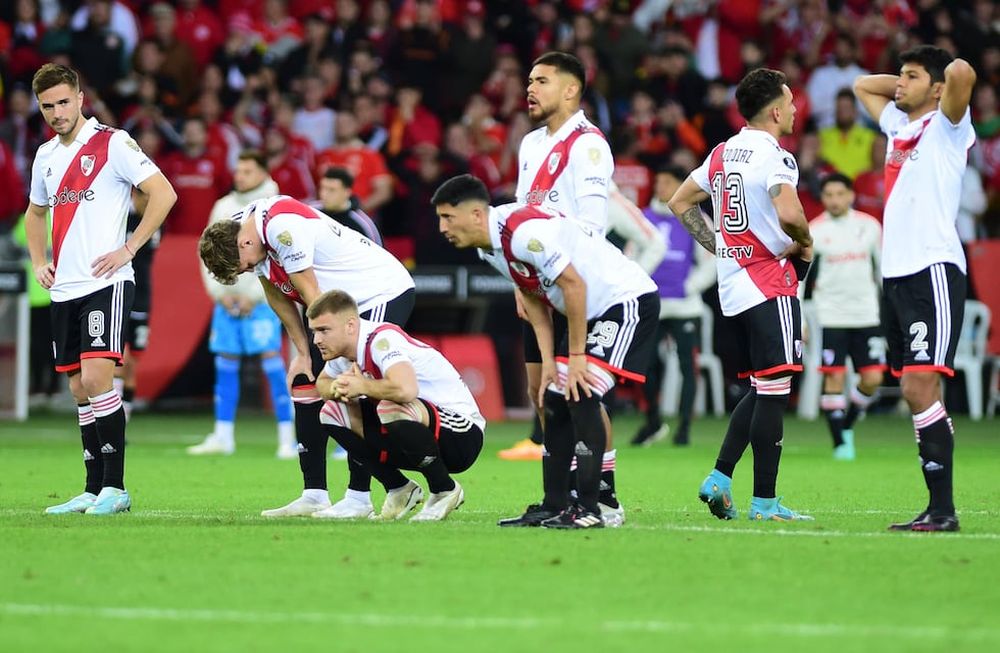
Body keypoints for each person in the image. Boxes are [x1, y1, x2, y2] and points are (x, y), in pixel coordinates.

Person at [434, 174, 659, 529]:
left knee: (580, 393)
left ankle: (593, 507)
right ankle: (554, 503)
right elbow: (535, 302)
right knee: (553, 397)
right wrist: (551, 364)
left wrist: (578, 357)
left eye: (448, 217)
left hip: (624, 300)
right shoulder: (488, 247)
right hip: (587, 308)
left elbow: (573, 284)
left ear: (477, 214)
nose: (442, 227)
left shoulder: (522, 234)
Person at [199, 193, 416, 519]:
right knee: (305, 382)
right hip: (336, 306)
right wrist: (303, 353)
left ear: (244, 244)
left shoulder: (282, 229)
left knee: (351, 385)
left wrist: (332, 358)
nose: (246, 271)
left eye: (242, 267)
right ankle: (314, 493)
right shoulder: (245, 232)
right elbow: (276, 293)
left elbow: (314, 298)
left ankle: (359, 498)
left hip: (378, 292)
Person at [24, 63, 176, 515]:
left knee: (96, 378)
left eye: (63, 102)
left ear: (79, 98)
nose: (56, 113)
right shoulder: (45, 156)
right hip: (64, 287)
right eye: (47, 106)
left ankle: (116, 487)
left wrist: (129, 248)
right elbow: (35, 213)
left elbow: (163, 193)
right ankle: (93, 489)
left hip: (104, 282)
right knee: (78, 390)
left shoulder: (112, 142)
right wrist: (39, 262)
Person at [669, 67, 814, 522]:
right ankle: (766, 502)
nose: (794, 109)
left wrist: (723, 248)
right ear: (775, 110)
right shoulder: (775, 155)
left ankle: (720, 478)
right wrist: (807, 241)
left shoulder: (722, 152)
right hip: (769, 280)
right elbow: (789, 215)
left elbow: (679, 202)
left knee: (762, 386)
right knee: (776, 389)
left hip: (735, 284)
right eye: (790, 103)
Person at [499, 51, 626, 527]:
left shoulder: (589, 146)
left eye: (542, 81)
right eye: (529, 80)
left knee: (579, 393)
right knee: (540, 392)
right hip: (539, 286)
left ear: (571, 89)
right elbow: (521, 213)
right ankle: (561, 495)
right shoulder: (531, 143)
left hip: (577, 284)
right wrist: (522, 275)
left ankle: (604, 495)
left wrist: (553, 268)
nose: (530, 89)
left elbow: (591, 225)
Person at [854, 46, 977, 532]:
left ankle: (944, 510)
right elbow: (863, 85)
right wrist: (909, 84)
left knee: (918, 384)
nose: (898, 84)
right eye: (899, 76)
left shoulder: (948, 129)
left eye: (910, 77)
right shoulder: (898, 129)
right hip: (897, 275)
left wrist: (938, 84)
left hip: (933, 271)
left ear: (938, 88)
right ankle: (937, 508)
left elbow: (963, 71)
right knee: (916, 388)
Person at [308, 290, 485, 521]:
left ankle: (444, 489)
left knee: (391, 407)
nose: (317, 340)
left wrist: (362, 387)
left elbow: (406, 389)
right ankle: (399, 488)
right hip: (419, 434)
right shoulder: (343, 353)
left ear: (350, 325)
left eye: (323, 330)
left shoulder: (382, 340)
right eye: (314, 331)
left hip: (462, 436)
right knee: (331, 413)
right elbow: (322, 383)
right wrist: (337, 388)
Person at [187, 151, 297, 459]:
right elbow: (206, 250)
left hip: (263, 301)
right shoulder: (223, 205)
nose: (240, 176)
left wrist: (256, 295)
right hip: (227, 300)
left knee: (273, 365)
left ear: (263, 172)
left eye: (248, 170)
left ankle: (287, 438)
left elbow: (277, 255)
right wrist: (221, 292)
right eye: (238, 170)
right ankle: (223, 436)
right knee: (225, 364)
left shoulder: (275, 204)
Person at [632, 166, 717, 447]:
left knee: (686, 366)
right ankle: (653, 422)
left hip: (685, 307)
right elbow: (629, 257)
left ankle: (684, 429)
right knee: (645, 365)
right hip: (652, 305)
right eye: (658, 180)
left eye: (667, 181)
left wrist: (688, 287)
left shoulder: (693, 216)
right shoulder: (641, 218)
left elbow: (713, 259)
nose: (660, 186)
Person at [810, 173, 885, 461]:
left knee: (873, 379)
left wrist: (889, 310)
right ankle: (840, 442)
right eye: (829, 195)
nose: (834, 200)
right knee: (834, 378)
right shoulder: (815, 230)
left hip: (866, 313)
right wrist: (802, 319)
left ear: (851, 195)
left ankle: (847, 424)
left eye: (840, 194)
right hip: (831, 314)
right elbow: (802, 279)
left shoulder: (869, 227)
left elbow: (882, 272)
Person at [113, 190, 161, 422]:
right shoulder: (120, 219)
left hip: (142, 298)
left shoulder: (155, 222)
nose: (150, 203)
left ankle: (124, 418)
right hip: (120, 294)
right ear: (135, 196)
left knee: (132, 363)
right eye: (146, 198)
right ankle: (112, 419)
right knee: (117, 360)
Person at [314, 167, 383, 245]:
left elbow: (377, 253)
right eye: (322, 188)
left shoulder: (363, 224)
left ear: (347, 192)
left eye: (331, 190)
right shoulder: (312, 211)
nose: (324, 194)